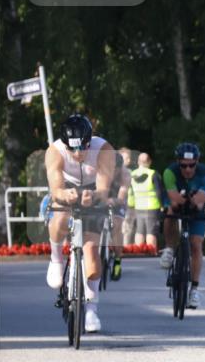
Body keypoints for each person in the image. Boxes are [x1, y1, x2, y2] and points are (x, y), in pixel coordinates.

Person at [43, 113, 116, 333]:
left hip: (94, 191)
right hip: (66, 188)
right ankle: (56, 260)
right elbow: (55, 189)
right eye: (72, 149)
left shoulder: (103, 149)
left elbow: (104, 189)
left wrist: (93, 197)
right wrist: (65, 195)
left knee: (91, 250)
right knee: (61, 216)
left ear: (89, 141)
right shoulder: (55, 151)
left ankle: (92, 310)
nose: (78, 154)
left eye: (83, 148)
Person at [158, 143, 205, 310]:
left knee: (196, 245)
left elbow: (200, 199)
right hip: (177, 205)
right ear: (178, 163)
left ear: (197, 162)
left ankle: (194, 289)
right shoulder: (170, 172)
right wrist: (186, 199)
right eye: (183, 165)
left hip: (197, 209)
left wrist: (193, 200)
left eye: (191, 165)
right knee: (171, 208)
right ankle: (169, 248)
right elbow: (174, 197)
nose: (188, 169)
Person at [130, 152, 165, 249]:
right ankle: (151, 250)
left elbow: (130, 191)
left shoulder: (132, 174)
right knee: (151, 231)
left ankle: (138, 250)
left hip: (138, 206)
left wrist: (131, 204)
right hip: (152, 206)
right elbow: (159, 191)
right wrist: (162, 205)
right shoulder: (152, 174)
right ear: (149, 162)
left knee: (139, 230)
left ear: (138, 162)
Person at [106, 151, 131, 280]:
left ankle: (117, 260)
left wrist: (113, 201)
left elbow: (121, 196)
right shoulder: (101, 170)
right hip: (103, 196)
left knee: (116, 225)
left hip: (117, 199)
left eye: (115, 169)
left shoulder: (125, 174)